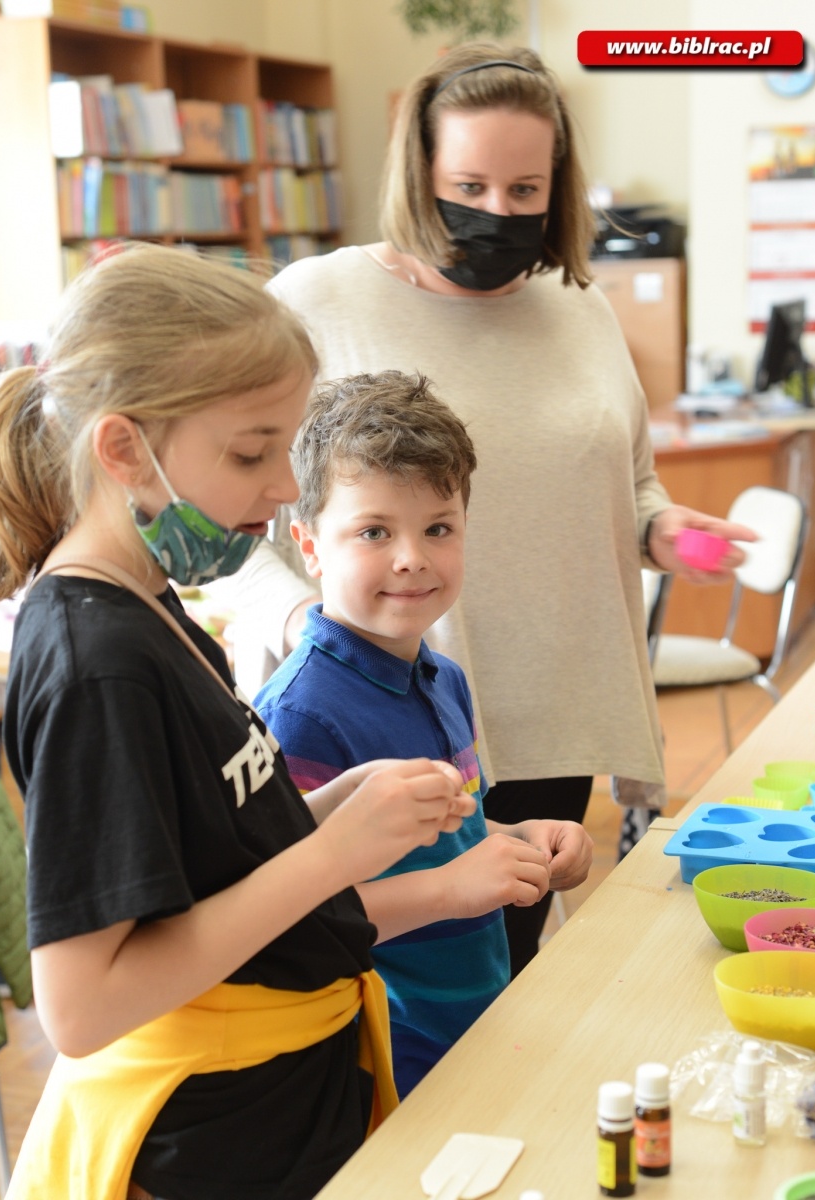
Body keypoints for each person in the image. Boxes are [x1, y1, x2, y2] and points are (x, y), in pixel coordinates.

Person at [210, 42, 756, 978]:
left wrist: (663, 532)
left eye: (524, 189)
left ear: (559, 187)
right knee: (363, 972)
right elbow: (220, 518)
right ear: (420, 174)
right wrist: (304, 616)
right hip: (367, 716)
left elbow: (627, 485)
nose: (496, 212)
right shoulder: (314, 302)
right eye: (469, 183)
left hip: (553, 702)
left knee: (494, 968)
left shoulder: (579, 306)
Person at [0, 243, 482, 1200]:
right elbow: (82, 1006)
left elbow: (201, 865)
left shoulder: (156, 601)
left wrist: (323, 818)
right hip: (210, 1135)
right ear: (123, 450)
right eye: (251, 452)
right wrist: (329, 858)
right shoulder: (97, 666)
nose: (286, 486)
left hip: (277, 1102)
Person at [254, 370, 593, 1096]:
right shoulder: (301, 715)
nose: (413, 556)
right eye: (374, 531)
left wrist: (523, 834)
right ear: (309, 545)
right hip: (386, 1051)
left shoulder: (443, 678)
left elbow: (456, 835)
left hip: (475, 1021)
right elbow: (293, 918)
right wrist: (451, 890)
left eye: (438, 527)